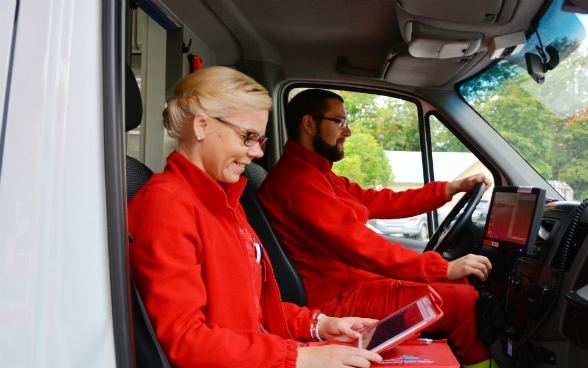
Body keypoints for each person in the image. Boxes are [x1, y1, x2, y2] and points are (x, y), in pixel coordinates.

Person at [127, 69, 384, 368]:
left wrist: (319, 325)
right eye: (248, 137)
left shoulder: (227, 203)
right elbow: (186, 341)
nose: (257, 152)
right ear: (202, 125)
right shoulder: (167, 205)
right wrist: (299, 356)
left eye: (260, 139)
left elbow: (250, 313)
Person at [257, 89, 498, 368]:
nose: (347, 132)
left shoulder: (320, 175)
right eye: (340, 122)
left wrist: (447, 189)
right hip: (333, 298)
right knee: (464, 302)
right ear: (309, 124)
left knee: (461, 284)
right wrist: (442, 269)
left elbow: (377, 200)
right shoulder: (298, 183)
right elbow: (359, 244)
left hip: (354, 282)